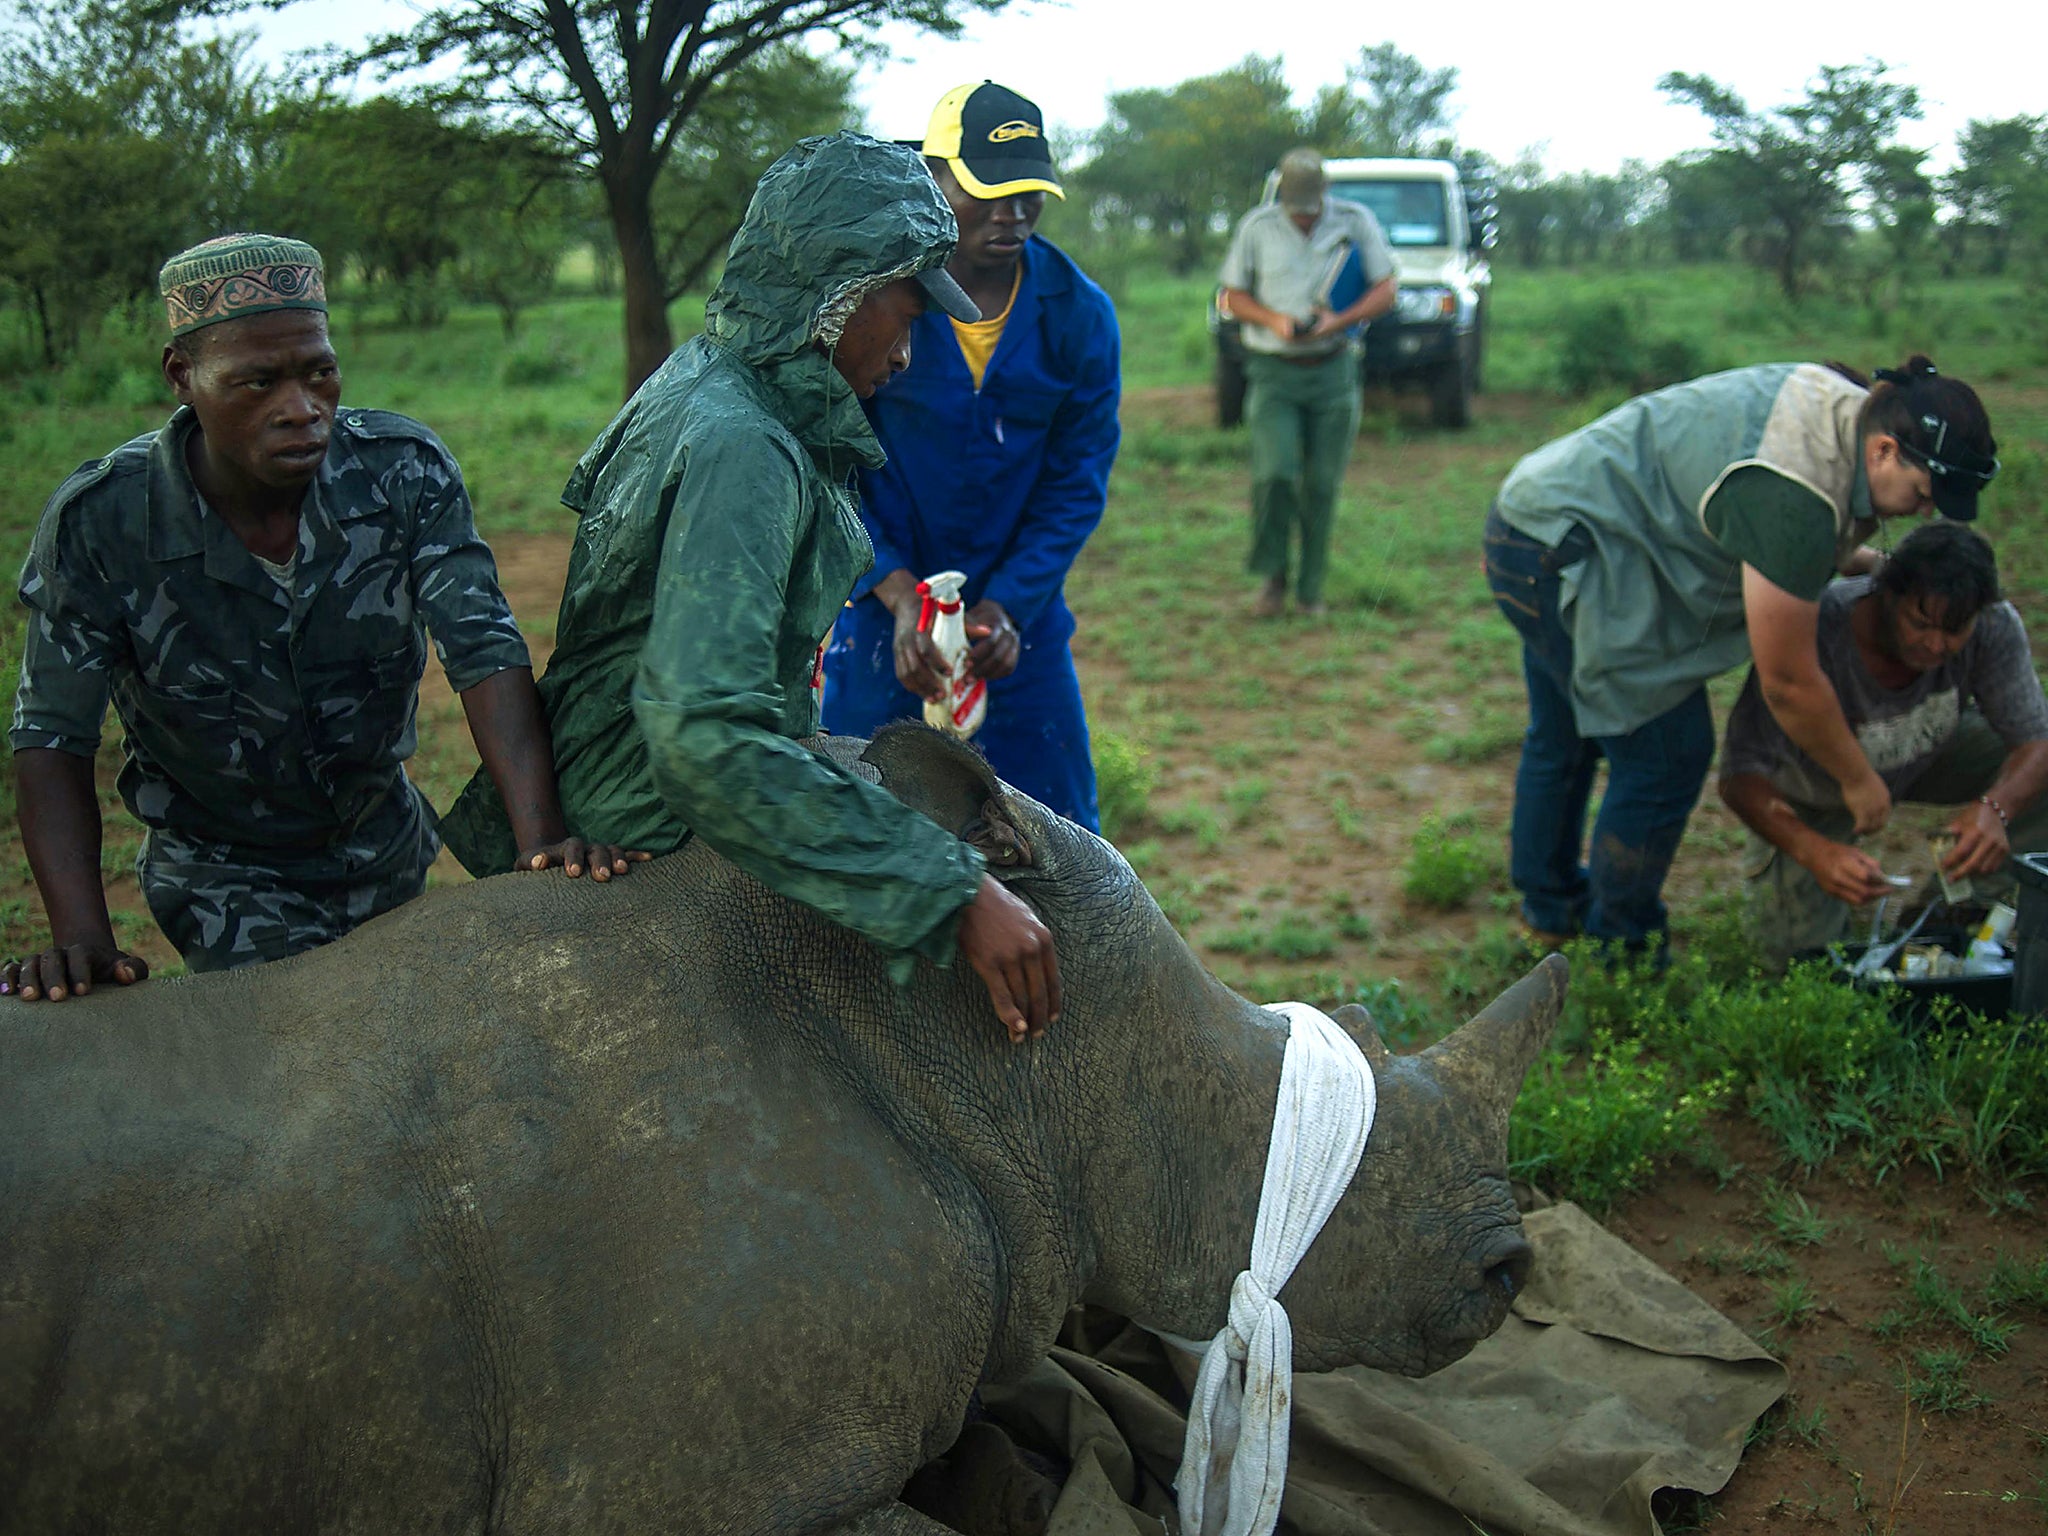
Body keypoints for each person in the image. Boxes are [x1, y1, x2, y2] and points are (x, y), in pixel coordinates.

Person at [439, 133, 1062, 1044]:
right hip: (653, 828)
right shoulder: (746, 447)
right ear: (838, 293)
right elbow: (706, 738)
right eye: (909, 308)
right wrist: (951, 891)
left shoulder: (720, 382)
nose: (911, 348)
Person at [3, 233, 631, 1003]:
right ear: (182, 376)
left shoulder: (402, 471)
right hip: (223, 871)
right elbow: (52, 735)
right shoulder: (102, 523)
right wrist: (82, 939)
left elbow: (483, 649)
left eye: (319, 373)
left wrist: (541, 848)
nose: (300, 410)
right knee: (312, 1048)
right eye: (256, 382)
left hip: (383, 845)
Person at [1483, 355, 2001, 955]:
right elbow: (1788, 681)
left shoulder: (1842, 407)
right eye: (1925, 492)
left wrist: (1859, 562)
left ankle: (1550, 913)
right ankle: (1620, 946)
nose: (1928, 511)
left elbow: (1780, 520)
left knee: (1564, 734)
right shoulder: (1797, 493)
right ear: (1885, 450)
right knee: (1665, 752)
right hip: (1560, 549)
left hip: (1536, 511)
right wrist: (1859, 781)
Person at [820, 81, 1120, 832]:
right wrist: (893, 595)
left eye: (1028, 194)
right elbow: (829, 463)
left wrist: (1009, 605)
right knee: (864, 836)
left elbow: (1075, 485)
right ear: (936, 177)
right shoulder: (875, 297)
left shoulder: (1080, 317)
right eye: (989, 190)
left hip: (1016, 634)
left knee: (1063, 844)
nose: (1011, 215)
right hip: (886, 628)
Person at [1719, 520, 2048, 963]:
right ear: (1887, 594)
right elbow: (1740, 776)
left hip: (1929, 747)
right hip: (1814, 793)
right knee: (1801, 965)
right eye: (1921, 623)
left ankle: (1948, 914)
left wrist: (1996, 808)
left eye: (1955, 631)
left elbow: (2036, 740)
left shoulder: (1991, 622)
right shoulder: (1819, 629)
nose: (1936, 645)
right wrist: (1813, 851)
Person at [1218, 147, 1397, 618]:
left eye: (1310, 206)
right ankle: (1272, 579)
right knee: (1274, 475)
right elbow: (1232, 296)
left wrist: (1339, 321)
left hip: (1334, 368)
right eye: (1295, 206)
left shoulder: (1355, 222)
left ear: (1324, 194)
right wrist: (1273, 320)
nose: (1303, 216)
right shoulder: (1257, 227)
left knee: (1322, 484)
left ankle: (1310, 590)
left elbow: (1386, 288)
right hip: (1274, 371)